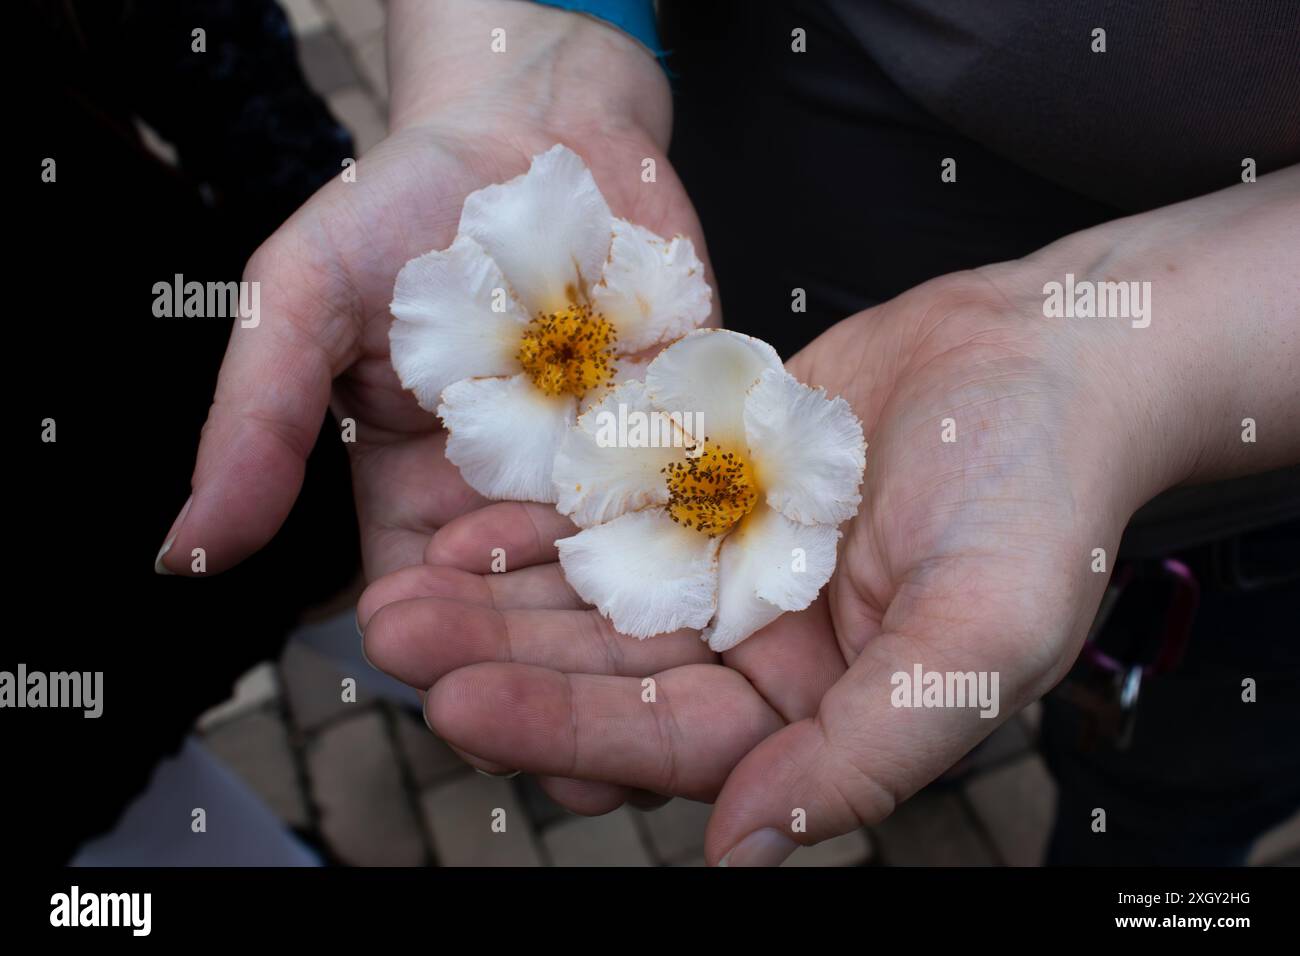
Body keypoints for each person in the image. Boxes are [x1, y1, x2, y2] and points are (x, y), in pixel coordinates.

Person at [160, 0, 1300, 865]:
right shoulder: (646, 370)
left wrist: (1138, 355)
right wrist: (537, 51)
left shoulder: (719, 448)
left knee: (1173, 800)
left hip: (1251, 506)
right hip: (746, 260)